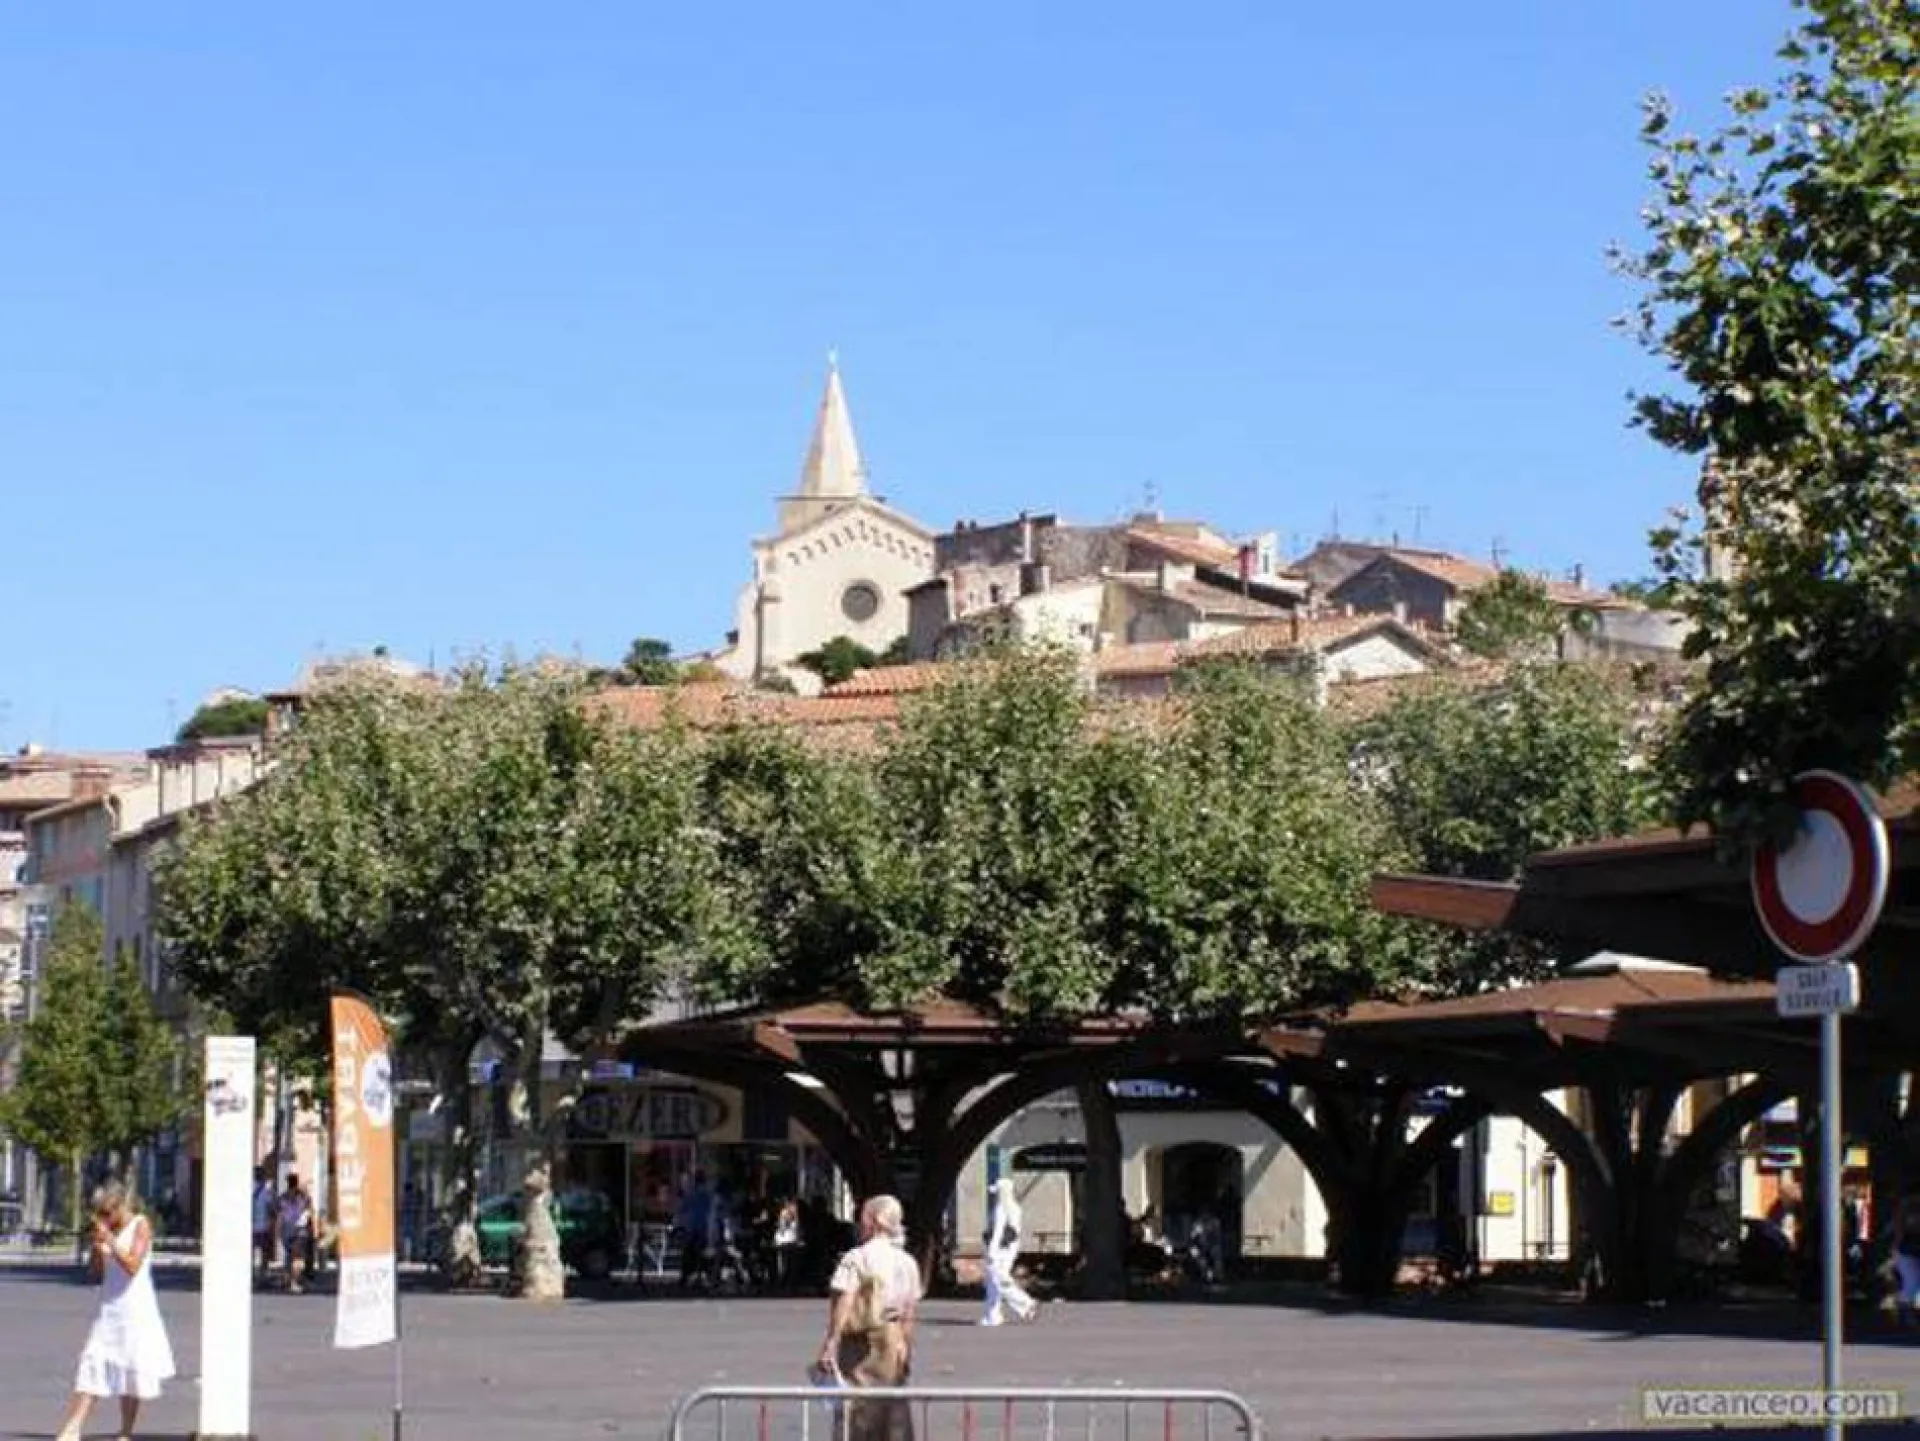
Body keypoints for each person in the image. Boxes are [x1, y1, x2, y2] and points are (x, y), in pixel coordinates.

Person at [53, 1181, 176, 1441]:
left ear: (120, 1206)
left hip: (136, 1308)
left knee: (132, 1367)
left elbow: (132, 1265)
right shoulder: (107, 1230)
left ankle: (126, 1430)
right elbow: (97, 1273)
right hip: (110, 1308)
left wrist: (111, 1240)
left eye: (108, 1213)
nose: (105, 1219)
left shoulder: (140, 1225)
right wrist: (98, 1250)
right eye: (100, 1214)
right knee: (92, 1360)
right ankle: (73, 1427)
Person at [816, 1195, 921, 1441]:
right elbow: (909, 1311)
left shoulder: (856, 1258)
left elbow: (846, 1299)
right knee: (893, 1411)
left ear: (872, 1221)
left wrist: (831, 1340)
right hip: (893, 1340)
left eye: (861, 1217)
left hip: (861, 1341)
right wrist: (906, 1346)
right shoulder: (908, 1262)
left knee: (857, 1410)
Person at [980, 1177, 1036, 1326]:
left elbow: (997, 1231)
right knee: (993, 1281)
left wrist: (991, 1251)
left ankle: (1025, 1303)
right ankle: (993, 1315)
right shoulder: (1015, 1208)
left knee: (998, 1280)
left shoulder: (1001, 1208)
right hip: (1010, 1248)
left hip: (999, 1249)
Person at [277, 1173, 316, 1293]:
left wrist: (278, 1231)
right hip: (300, 1231)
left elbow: (279, 1216)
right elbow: (310, 1213)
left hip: (286, 1230)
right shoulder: (304, 1197)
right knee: (298, 1258)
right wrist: (311, 1230)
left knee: (289, 1256)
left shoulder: (282, 1197)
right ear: (297, 1182)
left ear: (288, 1183)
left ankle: (288, 1279)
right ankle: (295, 1282)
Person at [1894, 1192, 1920, 1329]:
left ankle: (1906, 1314)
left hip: (1907, 1250)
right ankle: (1906, 1314)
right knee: (1912, 1283)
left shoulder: (1906, 1210)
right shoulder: (1907, 1210)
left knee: (1912, 1283)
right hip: (1908, 1251)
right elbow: (1901, 1232)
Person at [251, 1167, 277, 1282]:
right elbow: (271, 1206)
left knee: (250, 1251)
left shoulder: (247, 1187)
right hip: (263, 1227)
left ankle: (250, 1272)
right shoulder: (266, 1191)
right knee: (264, 1252)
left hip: (249, 1227)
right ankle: (262, 1274)